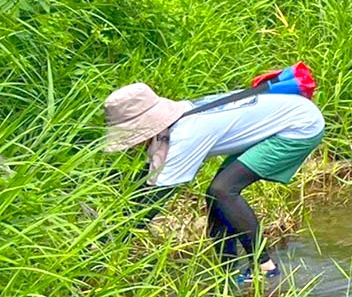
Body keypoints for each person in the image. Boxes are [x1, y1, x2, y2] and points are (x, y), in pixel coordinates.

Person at [103, 80, 325, 284]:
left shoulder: (186, 133)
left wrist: (113, 240)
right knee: (216, 197)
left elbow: (156, 199)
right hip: (286, 115)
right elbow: (146, 185)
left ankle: (265, 266)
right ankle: (226, 271)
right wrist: (112, 227)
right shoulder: (169, 126)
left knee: (223, 191)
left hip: (300, 126)